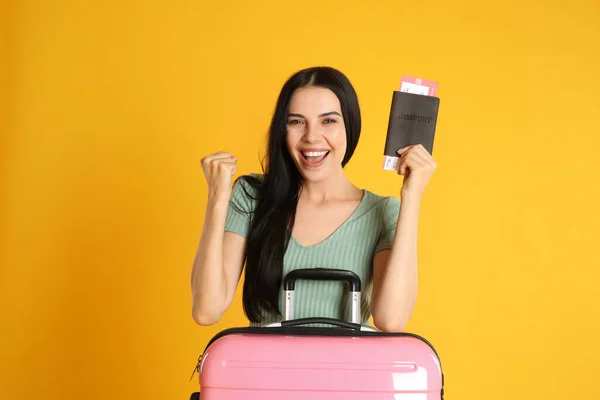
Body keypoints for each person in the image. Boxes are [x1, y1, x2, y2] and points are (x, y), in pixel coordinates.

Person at [190, 66, 437, 332]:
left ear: (349, 126)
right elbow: (206, 310)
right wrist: (217, 200)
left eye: (328, 121)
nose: (311, 137)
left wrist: (411, 198)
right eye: (296, 121)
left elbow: (391, 319)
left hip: (348, 372)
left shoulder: (382, 212)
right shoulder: (252, 197)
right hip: (263, 372)